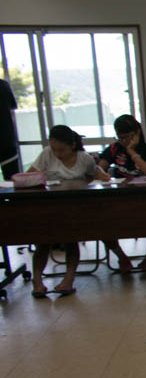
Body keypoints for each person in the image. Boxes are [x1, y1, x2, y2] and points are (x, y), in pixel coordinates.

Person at [28, 125, 110, 297]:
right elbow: (30, 176)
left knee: (70, 238)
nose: (57, 153)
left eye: (62, 150)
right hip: (49, 206)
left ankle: (68, 279)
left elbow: (97, 173)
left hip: (74, 208)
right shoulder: (46, 154)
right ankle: (37, 282)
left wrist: (103, 176)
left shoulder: (83, 158)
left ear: (72, 145)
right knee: (43, 241)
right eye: (54, 149)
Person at [98, 115, 146, 272]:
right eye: (121, 138)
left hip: (144, 198)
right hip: (118, 198)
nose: (124, 141)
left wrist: (132, 152)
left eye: (128, 137)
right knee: (101, 224)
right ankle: (121, 257)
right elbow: (99, 169)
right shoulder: (114, 149)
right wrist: (103, 174)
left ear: (137, 133)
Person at [0, 78, 18, 180]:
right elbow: (12, 112)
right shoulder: (3, 85)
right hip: (7, 141)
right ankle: (14, 196)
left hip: (7, 141)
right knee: (13, 180)